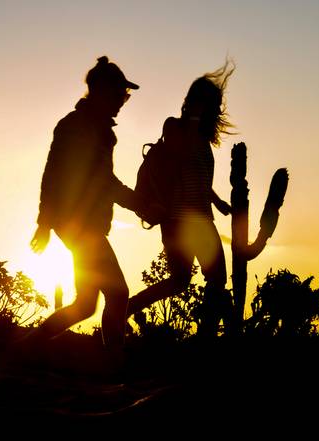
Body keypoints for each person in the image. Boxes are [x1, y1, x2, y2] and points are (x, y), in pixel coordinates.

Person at [28, 56, 143, 352]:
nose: (122, 101)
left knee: (84, 305)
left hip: (80, 224)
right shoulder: (79, 127)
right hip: (80, 225)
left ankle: (25, 349)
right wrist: (44, 223)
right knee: (118, 295)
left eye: (124, 96)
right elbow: (55, 174)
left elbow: (102, 181)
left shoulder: (96, 129)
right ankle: (114, 366)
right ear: (103, 92)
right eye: (120, 94)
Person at [127, 62, 235, 337]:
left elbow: (195, 177)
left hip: (200, 217)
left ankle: (126, 309)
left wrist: (217, 201)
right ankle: (204, 338)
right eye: (212, 103)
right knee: (195, 280)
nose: (215, 109)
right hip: (177, 219)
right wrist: (195, 118)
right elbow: (180, 156)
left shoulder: (202, 138)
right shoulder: (175, 127)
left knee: (191, 281)